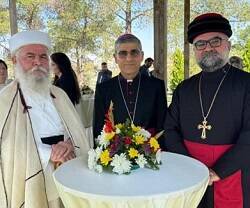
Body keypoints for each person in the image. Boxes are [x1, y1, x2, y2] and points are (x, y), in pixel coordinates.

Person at [163, 13, 250, 208]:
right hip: (189, 175)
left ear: (228, 44)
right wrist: (189, 166)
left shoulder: (246, 84)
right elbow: (170, 129)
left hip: (233, 172)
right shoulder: (184, 88)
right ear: (195, 50)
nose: (208, 47)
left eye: (215, 40)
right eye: (200, 44)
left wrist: (219, 170)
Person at [0, 31, 90, 208]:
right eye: (30, 56)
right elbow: (6, 146)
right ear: (15, 61)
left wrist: (70, 143)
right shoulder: (4, 100)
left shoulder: (60, 94)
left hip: (68, 165)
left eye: (43, 56)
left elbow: (77, 130)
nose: (37, 62)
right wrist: (49, 153)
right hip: (30, 174)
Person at [93, 34, 167, 146]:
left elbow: (162, 125)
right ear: (115, 58)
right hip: (114, 154)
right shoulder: (103, 88)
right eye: (122, 53)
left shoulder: (157, 85)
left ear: (141, 56)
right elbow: (98, 127)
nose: (129, 58)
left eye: (134, 52)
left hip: (150, 152)